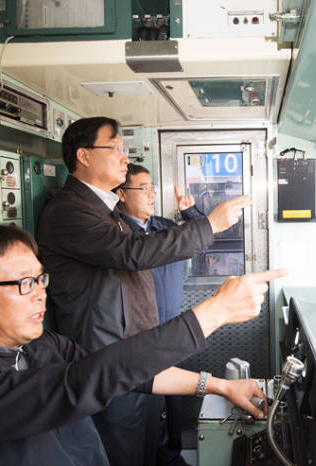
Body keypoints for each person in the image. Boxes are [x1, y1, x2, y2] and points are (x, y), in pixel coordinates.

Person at [0, 223, 283, 466]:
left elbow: (126, 373)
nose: (39, 294)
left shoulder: (41, 347)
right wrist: (214, 312)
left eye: (40, 280)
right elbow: (81, 384)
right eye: (23, 283)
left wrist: (220, 386)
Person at [36, 117, 253, 465]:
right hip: (106, 363)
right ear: (84, 155)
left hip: (135, 357)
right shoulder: (69, 212)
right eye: (116, 148)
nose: (125, 156)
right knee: (125, 453)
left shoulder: (106, 213)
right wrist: (210, 223)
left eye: (125, 149)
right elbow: (133, 254)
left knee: (150, 445)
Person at [116, 164, 204, 462]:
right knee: (146, 407)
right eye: (144, 188)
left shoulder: (164, 227)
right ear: (121, 194)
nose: (151, 194)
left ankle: (171, 454)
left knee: (173, 401)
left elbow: (204, 236)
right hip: (138, 334)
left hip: (170, 327)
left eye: (152, 188)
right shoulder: (116, 235)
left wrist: (191, 213)